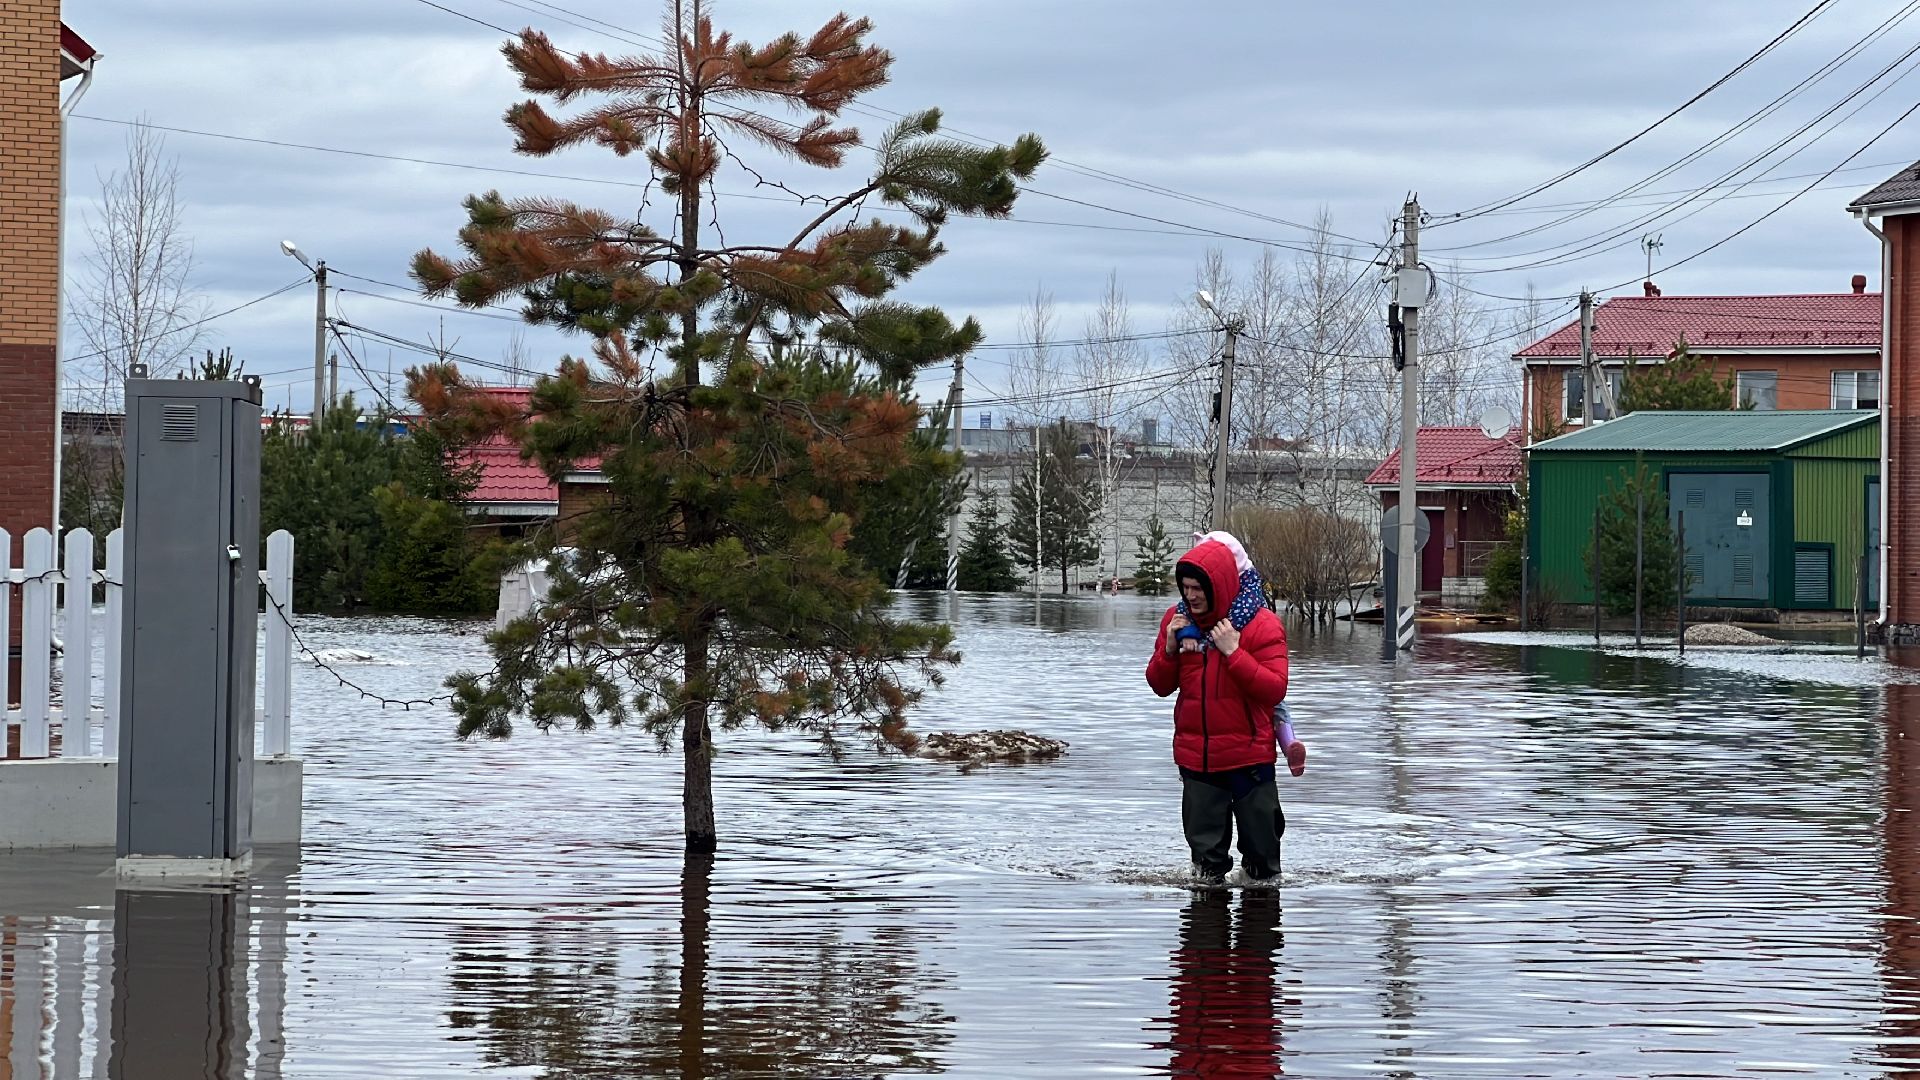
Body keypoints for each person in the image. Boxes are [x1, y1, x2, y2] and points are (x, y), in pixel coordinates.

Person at [1146, 534, 1290, 888]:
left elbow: (1274, 688)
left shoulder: (1261, 624)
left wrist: (1234, 652)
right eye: (1185, 587)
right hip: (1198, 760)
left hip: (1250, 760)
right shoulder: (1176, 622)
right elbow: (1160, 685)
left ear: (1220, 585)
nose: (1190, 595)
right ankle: (1205, 941)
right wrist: (1168, 649)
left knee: (1263, 872)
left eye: (1198, 588)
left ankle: (1256, 939)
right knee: (1205, 875)